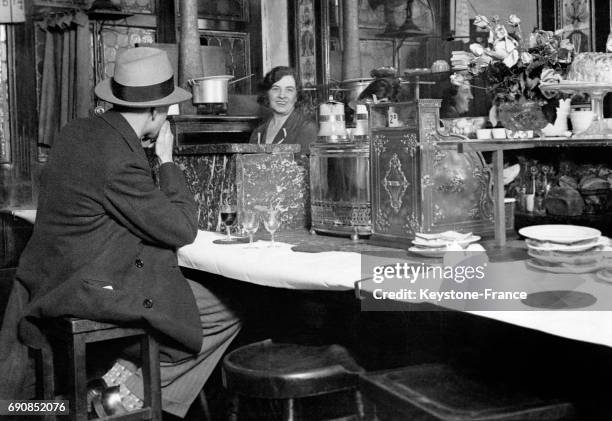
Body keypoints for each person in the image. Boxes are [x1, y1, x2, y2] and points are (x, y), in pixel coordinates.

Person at [0, 47, 241, 418]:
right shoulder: (119, 158)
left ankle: (113, 384)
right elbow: (181, 228)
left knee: (184, 298)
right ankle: (116, 401)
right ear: (156, 112)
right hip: (84, 287)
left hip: (50, 276)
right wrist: (167, 161)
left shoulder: (77, 131)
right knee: (226, 309)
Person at [249, 66, 317, 155]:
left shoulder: (307, 128)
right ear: (267, 93)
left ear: (296, 96)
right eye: (276, 89)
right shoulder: (258, 132)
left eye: (289, 90)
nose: (282, 95)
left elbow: (306, 167)